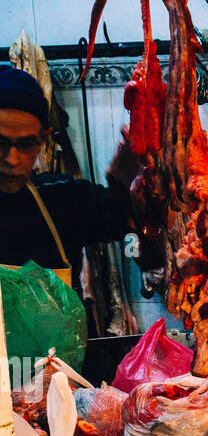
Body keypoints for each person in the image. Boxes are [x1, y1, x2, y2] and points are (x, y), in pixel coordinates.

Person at [0, 63, 137, 282]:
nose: (12, 159)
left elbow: (131, 232)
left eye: (26, 144)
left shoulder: (63, 198)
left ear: (43, 140)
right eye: (1, 142)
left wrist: (121, 184)